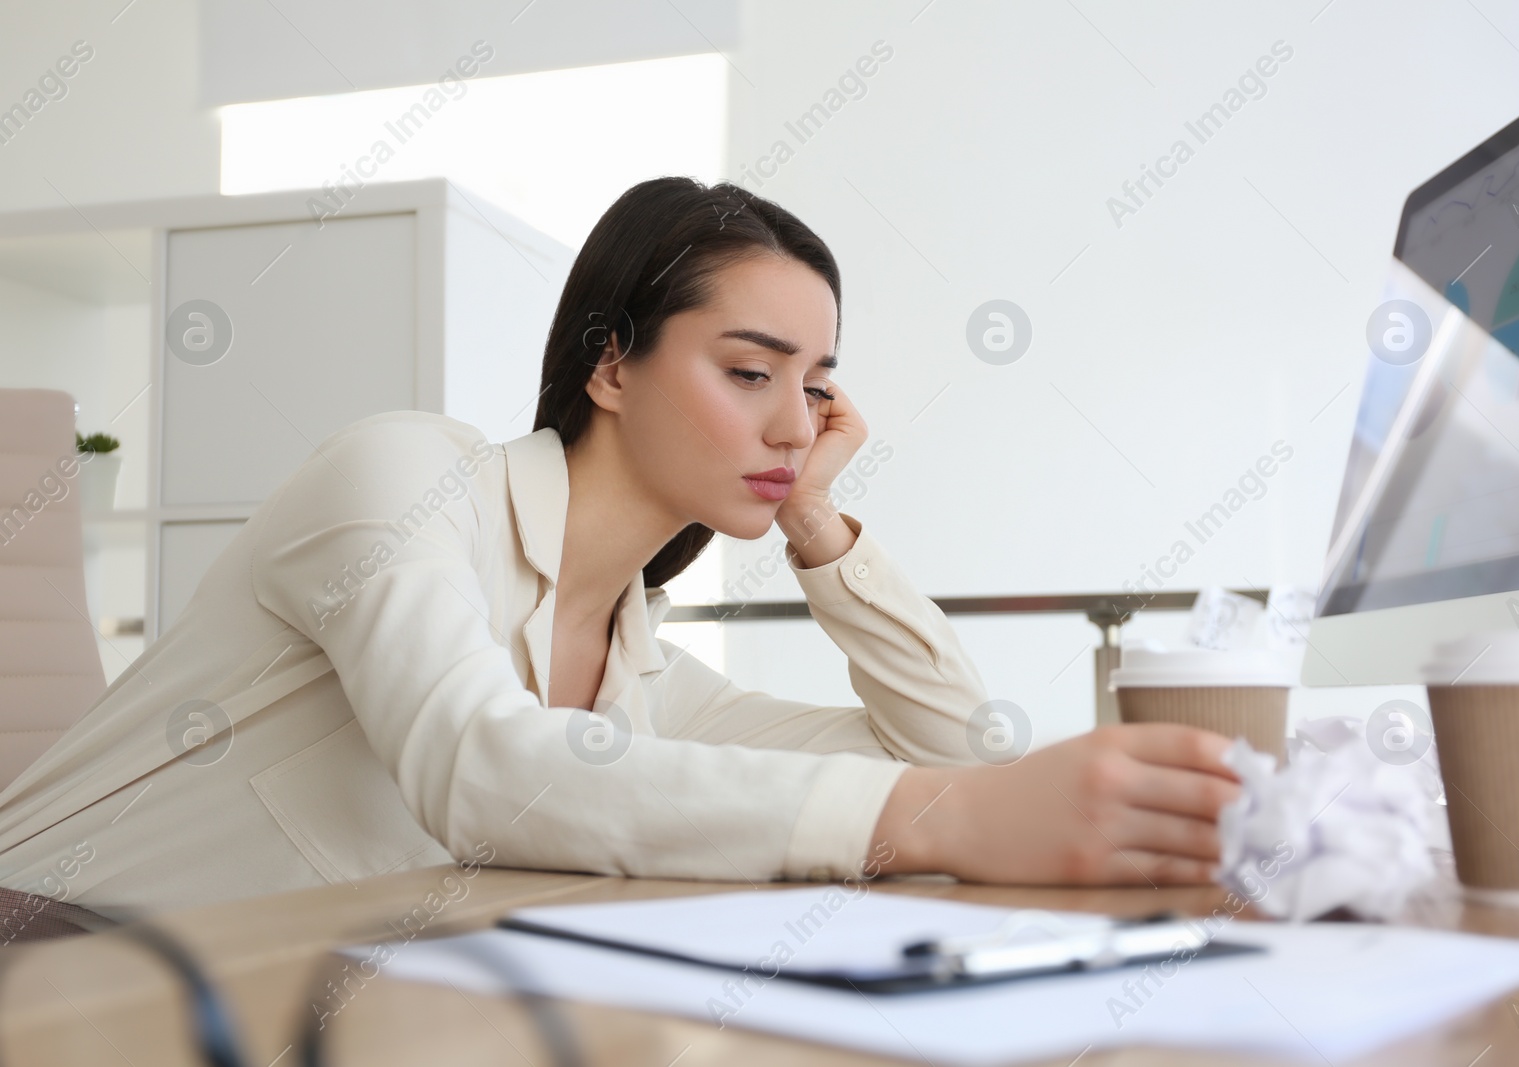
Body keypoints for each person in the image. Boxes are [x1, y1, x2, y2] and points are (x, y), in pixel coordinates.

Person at [0, 177, 1239, 914]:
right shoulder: (404, 480)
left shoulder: (641, 675)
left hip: (285, 994)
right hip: (54, 955)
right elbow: (482, 770)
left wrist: (816, 527)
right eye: (750, 369)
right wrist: (935, 821)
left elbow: (963, 755)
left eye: (816, 386)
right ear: (608, 362)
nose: (791, 419)